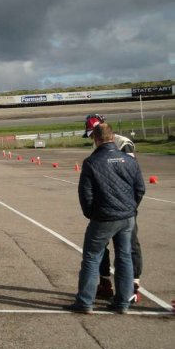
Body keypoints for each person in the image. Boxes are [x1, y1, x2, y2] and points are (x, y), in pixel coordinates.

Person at [65, 123, 145, 314]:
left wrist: (91, 213)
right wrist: (130, 208)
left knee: (92, 258)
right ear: (112, 137)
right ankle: (123, 303)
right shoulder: (130, 160)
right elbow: (140, 189)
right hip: (127, 217)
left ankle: (85, 302)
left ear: (96, 139)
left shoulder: (92, 162)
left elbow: (85, 194)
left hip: (104, 217)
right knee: (124, 257)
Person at [84, 114, 143, 303]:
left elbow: (131, 177)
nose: (92, 139)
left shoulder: (124, 144)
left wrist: (130, 206)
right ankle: (105, 283)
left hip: (122, 207)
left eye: (92, 135)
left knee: (128, 248)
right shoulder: (98, 146)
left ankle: (132, 286)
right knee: (106, 250)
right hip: (113, 208)